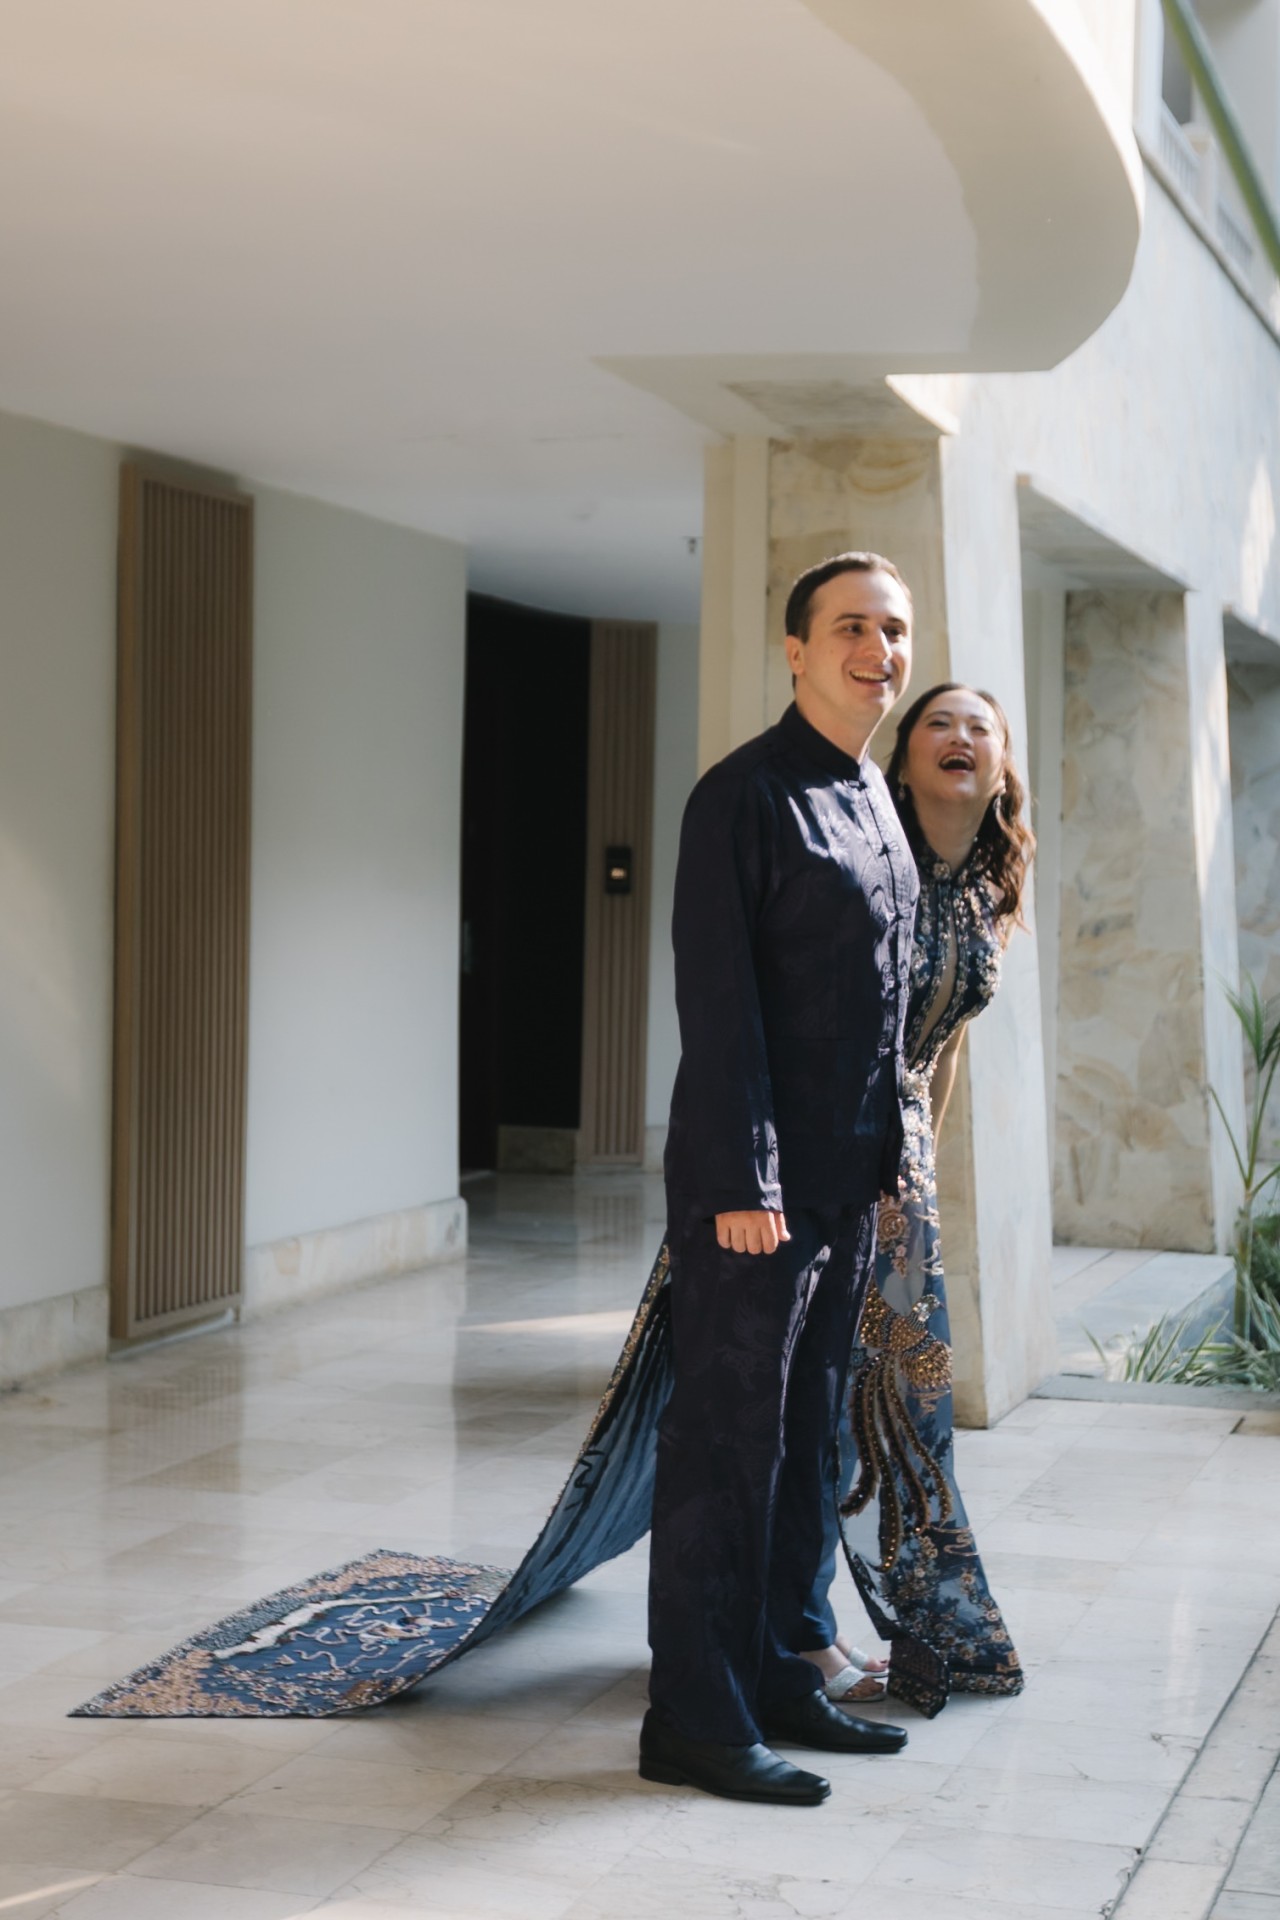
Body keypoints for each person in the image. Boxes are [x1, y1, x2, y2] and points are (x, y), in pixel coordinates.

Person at [639, 553, 919, 1809]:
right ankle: (693, 1719)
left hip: (843, 1183)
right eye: (849, 626)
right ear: (795, 650)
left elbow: (882, 1003)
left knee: (807, 1439)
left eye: (892, 629)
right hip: (753, 1195)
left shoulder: (869, 795)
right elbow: (720, 1007)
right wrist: (743, 1182)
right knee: (725, 1449)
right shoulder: (740, 797)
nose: (876, 649)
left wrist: (885, 1163)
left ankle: (781, 1670)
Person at [801, 681, 1034, 1717]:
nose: (959, 736)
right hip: (817, 1160)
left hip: (902, 1186)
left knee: (896, 1406)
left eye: (980, 727)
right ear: (902, 760)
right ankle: (801, 1633)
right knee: (810, 1402)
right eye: (938, 721)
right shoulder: (867, 864)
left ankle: (898, 1618)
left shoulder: (991, 889)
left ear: (999, 768)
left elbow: (942, 1051)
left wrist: (919, 1174)